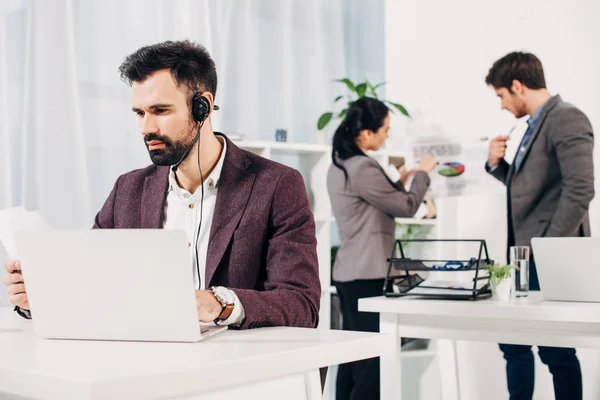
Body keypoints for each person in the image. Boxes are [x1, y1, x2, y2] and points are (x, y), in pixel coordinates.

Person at [3, 40, 320, 330]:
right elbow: (94, 286)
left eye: (160, 111)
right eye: (139, 113)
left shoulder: (276, 184)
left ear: (202, 107)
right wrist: (40, 299)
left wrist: (219, 304)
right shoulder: (128, 190)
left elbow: (302, 304)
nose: (145, 127)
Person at [485, 51, 594, 400]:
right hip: (524, 256)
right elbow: (531, 191)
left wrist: (547, 250)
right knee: (514, 342)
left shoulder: (567, 118)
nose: (502, 105)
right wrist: (495, 165)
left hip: (547, 256)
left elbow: (581, 190)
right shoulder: (533, 124)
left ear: (517, 86)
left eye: (501, 95)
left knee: (555, 349)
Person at [327, 97, 436, 399]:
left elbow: (372, 205)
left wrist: (398, 181)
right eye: (385, 129)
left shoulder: (339, 165)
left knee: (351, 358)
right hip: (369, 274)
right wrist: (423, 173)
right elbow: (407, 206)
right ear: (365, 133)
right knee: (371, 362)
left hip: (350, 274)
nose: (387, 135)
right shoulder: (362, 167)